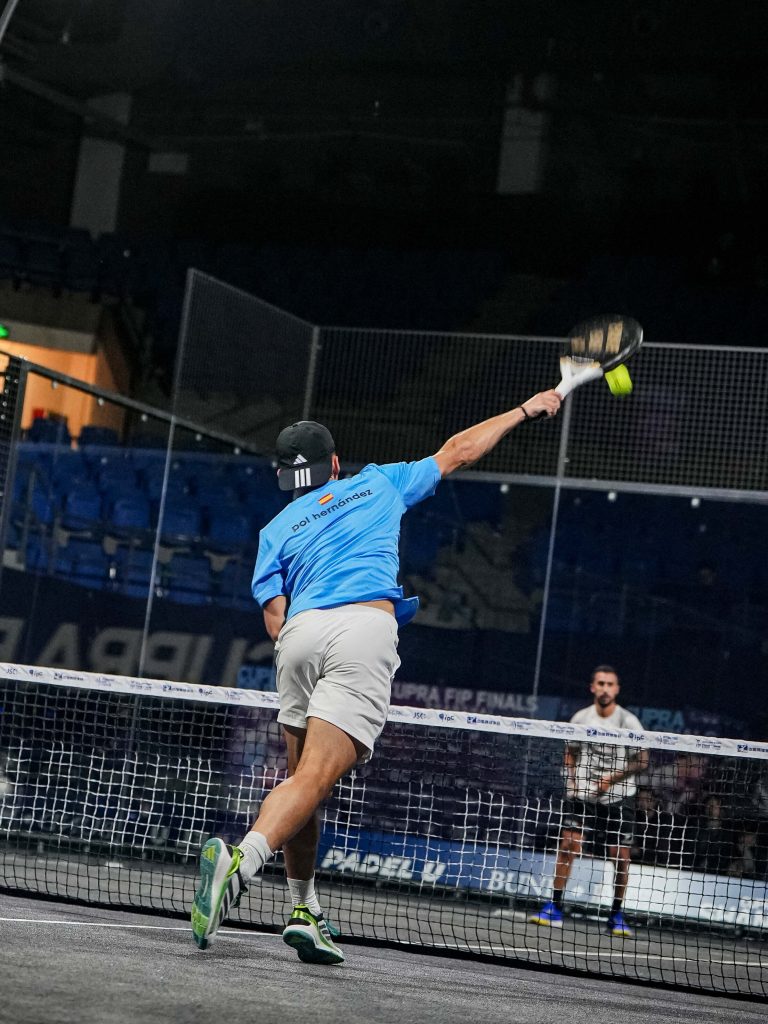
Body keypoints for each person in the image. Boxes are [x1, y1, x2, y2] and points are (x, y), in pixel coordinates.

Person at [191, 391, 562, 961]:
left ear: (285, 477)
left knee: (304, 783)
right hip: (360, 630)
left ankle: (305, 910)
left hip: (298, 637)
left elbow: (274, 617)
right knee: (313, 780)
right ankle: (242, 863)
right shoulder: (378, 483)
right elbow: (460, 450)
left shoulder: (275, 528)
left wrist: (304, 648)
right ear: (336, 463)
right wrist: (523, 411)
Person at [529, 665, 648, 937]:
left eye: (610, 684)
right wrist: (572, 781)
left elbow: (642, 760)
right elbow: (570, 752)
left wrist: (612, 779)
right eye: (601, 683)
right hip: (583, 795)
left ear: (616, 689)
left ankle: (616, 914)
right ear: (593, 687)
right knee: (568, 846)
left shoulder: (628, 721)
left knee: (621, 857)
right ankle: (554, 907)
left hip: (619, 796)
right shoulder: (581, 718)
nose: (605, 688)